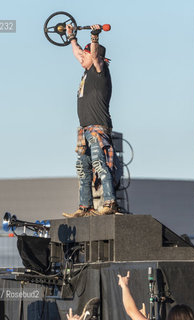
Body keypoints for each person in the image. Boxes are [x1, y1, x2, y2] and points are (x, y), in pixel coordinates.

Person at [62, 24, 121, 218]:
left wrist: (94, 36)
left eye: (86, 55)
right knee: (83, 168)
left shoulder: (99, 70)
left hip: (97, 127)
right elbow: (79, 54)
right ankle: (85, 207)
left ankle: (110, 202)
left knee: (99, 164)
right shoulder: (87, 71)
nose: (82, 58)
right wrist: (72, 37)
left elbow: (94, 56)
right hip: (85, 129)